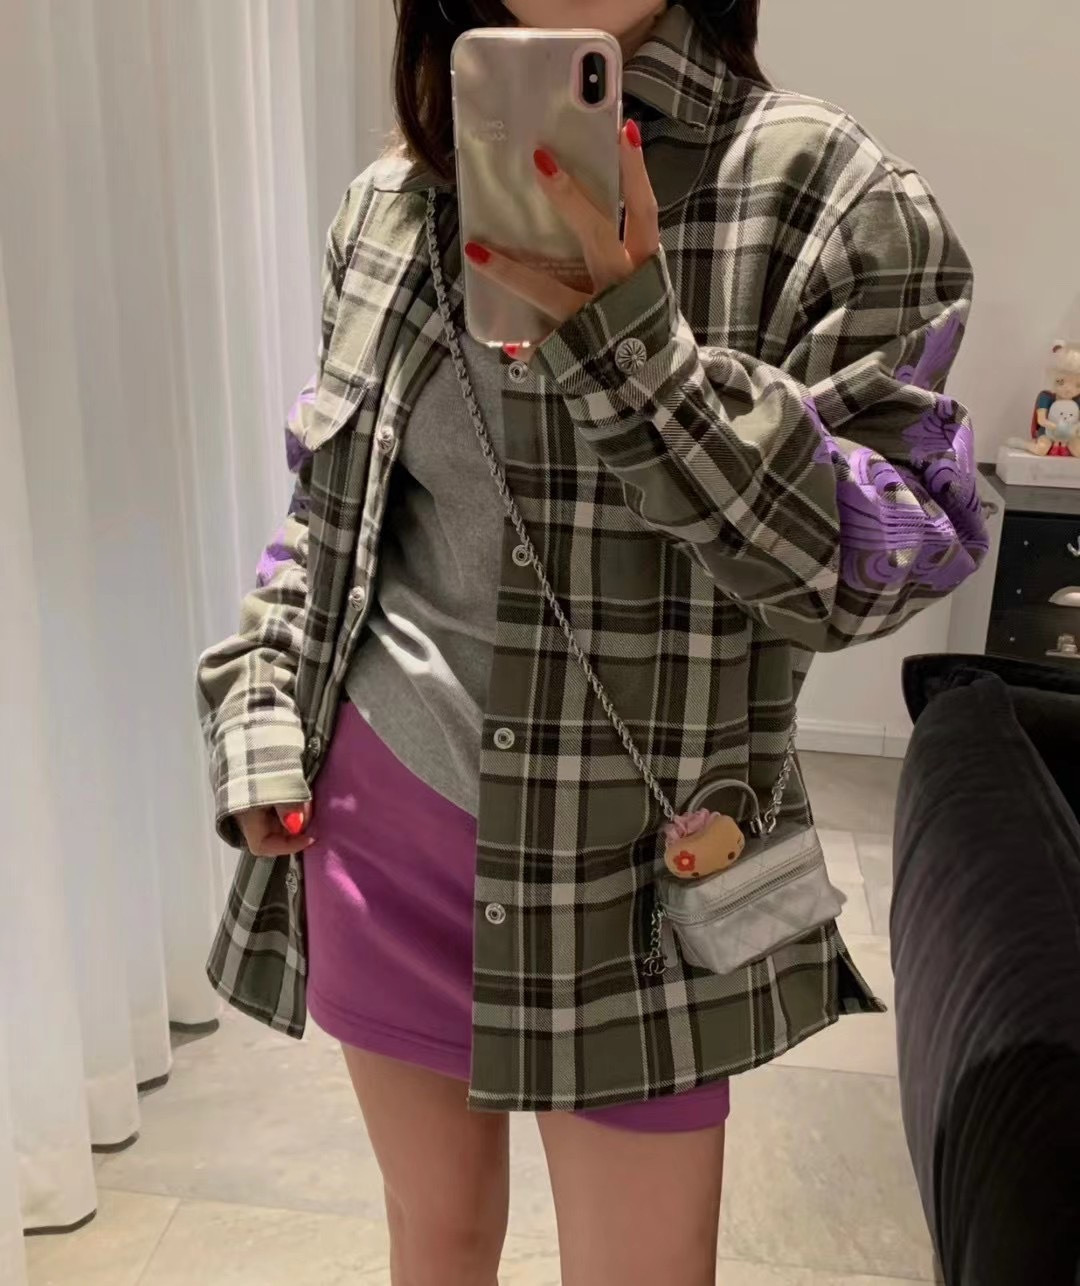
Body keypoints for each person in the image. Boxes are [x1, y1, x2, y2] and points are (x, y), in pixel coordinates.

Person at [197, 3, 988, 1283]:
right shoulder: (388, 208)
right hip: (378, 830)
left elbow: (873, 568)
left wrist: (636, 350)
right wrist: (260, 718)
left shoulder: (826, 195)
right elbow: (328, 520)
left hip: (634, 880)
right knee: (434, 1238)